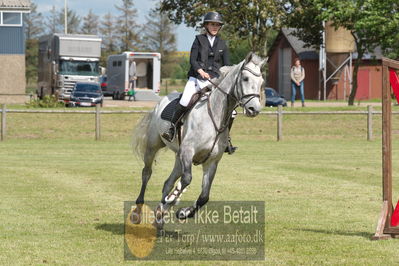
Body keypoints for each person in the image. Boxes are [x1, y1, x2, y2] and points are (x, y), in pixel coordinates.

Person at [161, 11, 237, 154]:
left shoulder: (222, 44)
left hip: (214, 81)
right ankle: (171, 129)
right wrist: (200, 71)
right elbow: (193, 60)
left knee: (231, 112)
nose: (215, 27)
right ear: (206, 25)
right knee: (184, 101)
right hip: (197, 78)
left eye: (217, 25)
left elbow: (227, 65)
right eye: (212, 24)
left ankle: (225, 139)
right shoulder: (198, 40)